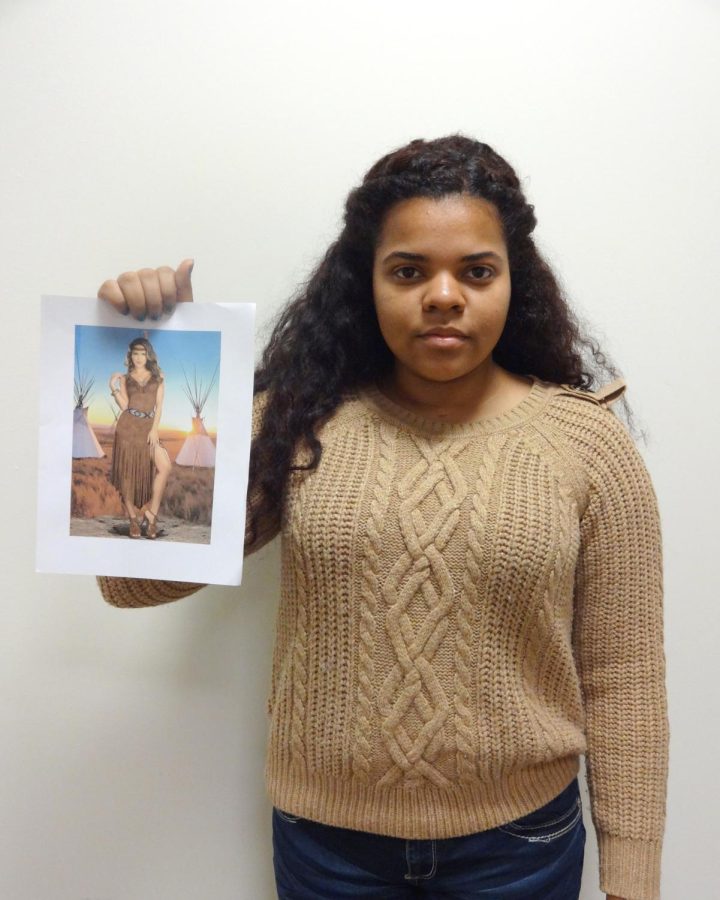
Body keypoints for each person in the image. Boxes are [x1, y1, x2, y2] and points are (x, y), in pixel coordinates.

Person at [95, 135, 668, 900]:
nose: (442, 295)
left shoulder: (587, 443)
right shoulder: (297, 422)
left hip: (519, 847)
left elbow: (624, 676)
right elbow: (131, 582)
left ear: (512, 281)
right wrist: (171, 352)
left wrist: (634, 877)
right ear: (365, 282)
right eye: (408, 270)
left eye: (475, 271)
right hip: (328, 847)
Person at [107, 337, 171, 538]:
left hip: (148, 428)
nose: (139, 357)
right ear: (130, 355)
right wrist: (113, 387)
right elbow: (125, 406)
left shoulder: (158, 376)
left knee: (165, 467)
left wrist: (154, 430)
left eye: (143, 353)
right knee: (127, 476)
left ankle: (151, 516)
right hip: (127, 428)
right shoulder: (126, 379)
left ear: (148, 355)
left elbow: (159, 406)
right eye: (135, 353)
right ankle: (133, 519)